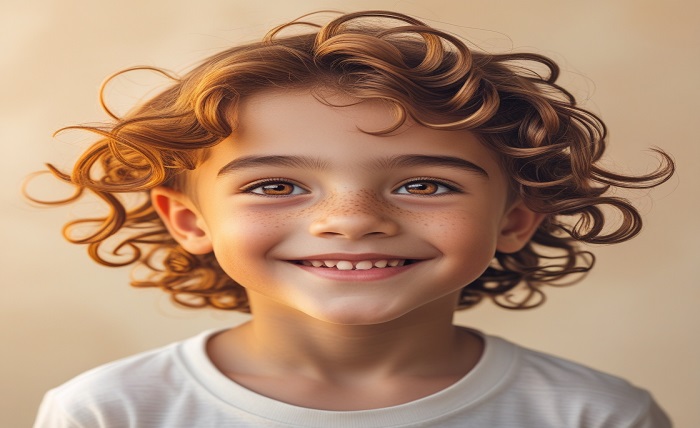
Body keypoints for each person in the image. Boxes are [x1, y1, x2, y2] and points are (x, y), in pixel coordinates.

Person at [31, 10, 674, 428]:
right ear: (189, 221)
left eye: (424, 184)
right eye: (277, 185)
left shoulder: (596, 415)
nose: (352, 220)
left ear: (515, 220)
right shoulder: (109, 412)